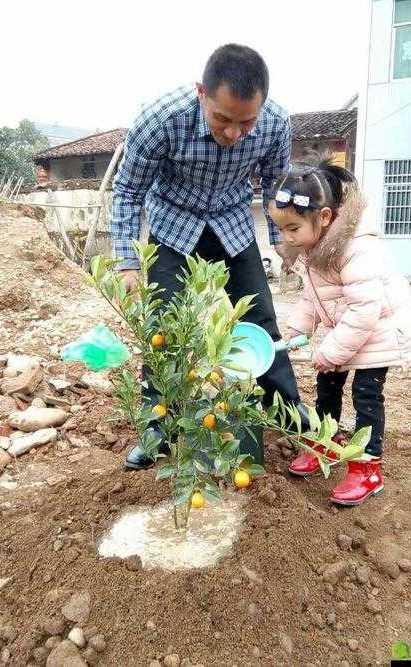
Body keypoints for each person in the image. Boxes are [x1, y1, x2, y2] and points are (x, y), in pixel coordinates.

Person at [111, 44, 309, 469]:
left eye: (246, 122)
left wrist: (282, 238)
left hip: (232, 222)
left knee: (259, 320)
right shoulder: (161, 119)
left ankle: (289, 414)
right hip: (173, 225)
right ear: (202, 92)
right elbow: (127, 191)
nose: (234, 133)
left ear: (262, 108)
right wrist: (128, 261)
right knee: (164, 328)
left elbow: (276, 183)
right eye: (223, 119)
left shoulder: (275, 123)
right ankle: (158, 430)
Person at [267, 156, 411, 505]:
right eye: (281, 229)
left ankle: (367, 469)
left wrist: (332, 350)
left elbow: (364, 310)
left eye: (292, 229)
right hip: (347, 333)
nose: (286, 237)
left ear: (323, 217)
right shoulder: (313, 246)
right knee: (327, 390)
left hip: (378, 333)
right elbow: (312, 296)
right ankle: (327, 446)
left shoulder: (357, 249)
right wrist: (295, 330)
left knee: (366, 397)